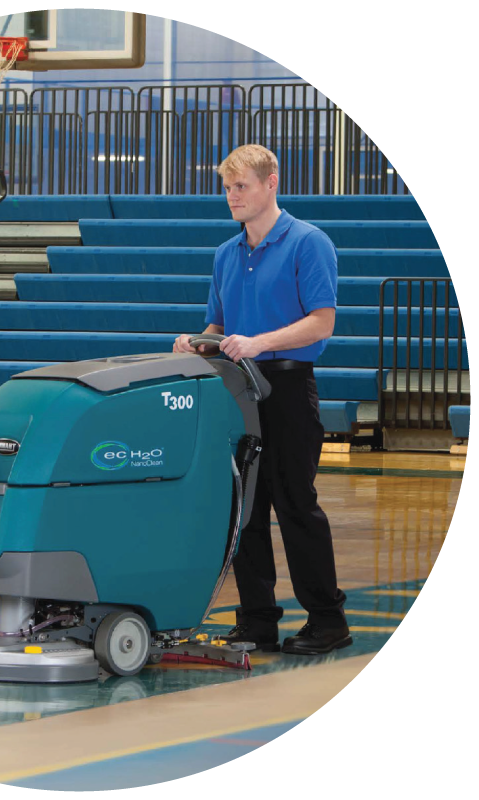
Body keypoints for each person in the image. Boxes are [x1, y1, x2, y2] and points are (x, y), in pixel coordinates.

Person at [174, 144, 352, 655]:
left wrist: (261, 341)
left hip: (287, 387)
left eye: (241, 186)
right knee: (244, 510)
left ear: (271, 184)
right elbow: (220, 325)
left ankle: (327, 620)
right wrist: (195, 340)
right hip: (238, 390)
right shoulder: (226, 254)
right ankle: (257, 619)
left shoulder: (307, 243)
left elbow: (322, 321)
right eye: (227, 187)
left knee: (296, 505)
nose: (231, 196)